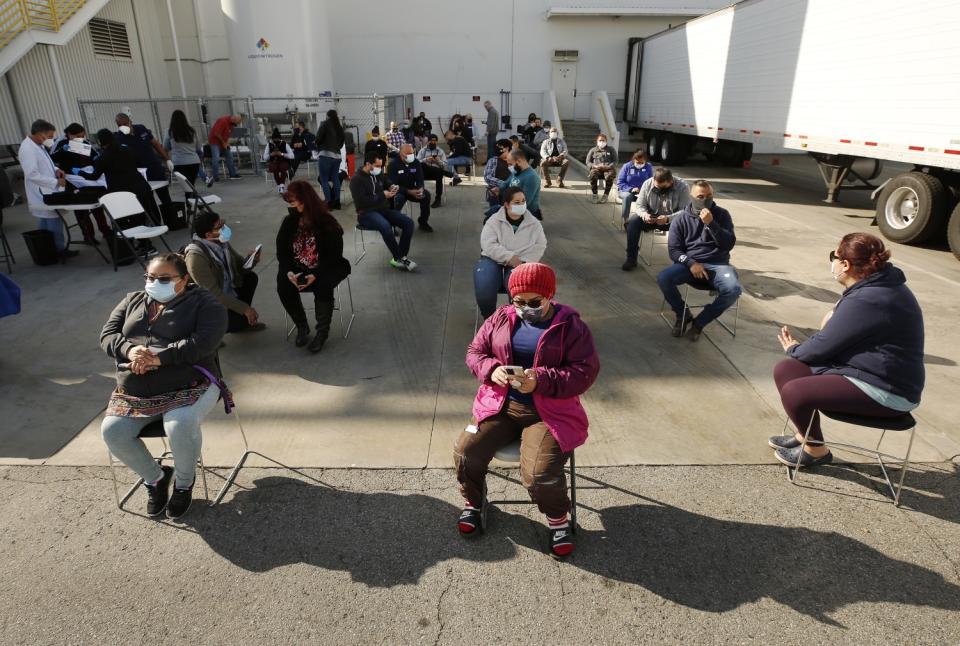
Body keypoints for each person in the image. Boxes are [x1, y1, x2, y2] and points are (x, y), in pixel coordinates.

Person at [457, 262, 600, 559]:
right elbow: (474, 352)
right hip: (501, 405)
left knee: (538, 474)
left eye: (534, 303)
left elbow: (585, 372)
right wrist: (491, 369)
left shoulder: (571, 326)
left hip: (549, 413)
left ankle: (558, 519)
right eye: (518, 301)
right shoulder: (500, 317)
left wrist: (541, 380)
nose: (525, 309)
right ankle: (474, 501)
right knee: (466, 451)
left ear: (550, 295)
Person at [771, 233, 924, 469]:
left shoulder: (870, 298)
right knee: (786, 369)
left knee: (795, 391)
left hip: (889, 390)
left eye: (834, 256)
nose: (832, 262)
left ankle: (816, 450)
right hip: (866, 371)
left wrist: (794, 348)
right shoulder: (877, 285)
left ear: (846, 264)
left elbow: (823, 345)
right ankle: (805, 435)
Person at [100, 253, 228, 519]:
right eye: (149, 277)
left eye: (163, 278)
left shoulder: (206, 304)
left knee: (178, 424)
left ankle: (183, 483)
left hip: (191, 385)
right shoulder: (132, 300)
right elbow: (108, 335)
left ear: (184, 280)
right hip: (136, 391)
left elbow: (203, 343)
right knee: (113, 431)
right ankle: (156, 478)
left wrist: (159, 358)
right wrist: (131, 350)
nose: (154, 283)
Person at [657, 180, 740, 342]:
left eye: (709, 196)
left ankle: (700, 322)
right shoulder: (680, 219)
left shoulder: (722, 214)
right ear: (692, 197)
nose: (705, 200)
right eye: (700, 196)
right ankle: (683, 314)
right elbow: (674, 250)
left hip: (718, 265)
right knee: (663, 278)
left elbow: (728, 244)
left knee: (733, 290)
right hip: (690, 265)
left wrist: (711, 224)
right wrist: (691, 263)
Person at [276, 181, 351, 352]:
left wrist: (315, 273)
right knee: (283, 285)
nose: (291, 204)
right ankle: (302, 326)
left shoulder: (327, 222)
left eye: (293, 200)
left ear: (305, 199)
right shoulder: (289, 221)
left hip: (326, 266)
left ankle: (322, 332)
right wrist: (288, 271)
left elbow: (334, 255)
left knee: (323, 285)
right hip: (298, 267)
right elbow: (282, 252)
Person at [183, 210, 264, 334]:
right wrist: (245, 309)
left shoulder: (220, 242)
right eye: (219, 227)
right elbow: (213, 294)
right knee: (236, 323)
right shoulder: (196, 258)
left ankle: (242, 320)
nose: (224, 228)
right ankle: (205, 330)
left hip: (226, 291)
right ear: (208, 234)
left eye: (222, 223)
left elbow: (239, 268)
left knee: (250, 278)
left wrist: (251, 261)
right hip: (209, 302)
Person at [475, 187, 547, 318]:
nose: (521, 205)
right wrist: (509, 257)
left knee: (520, 291)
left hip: (522, 261)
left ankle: (516, 320)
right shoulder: (493, 221)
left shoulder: (534, 223)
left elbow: (540, 245)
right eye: (517, 202)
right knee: (484, 290)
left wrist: (524, 261)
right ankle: (490, 319)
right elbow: (488, 244)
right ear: (506, 204)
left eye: (523, 201)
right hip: (493, 258)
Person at [349, 152, 418, 271]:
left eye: (380, 166)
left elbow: (386, 181)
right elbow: (361, 202)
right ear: (368, 164)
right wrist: (382, 195)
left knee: (408, 223)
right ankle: (400, 258)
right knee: (385, 226)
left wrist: (392, 186)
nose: (379, 168)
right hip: (366, 213)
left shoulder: (377, 173)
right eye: (376, 166)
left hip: (383, 209)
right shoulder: (356, 180)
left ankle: (399, 257)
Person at [81, 129, 162, 228]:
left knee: (126, 216)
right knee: (143, 212)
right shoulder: (128, 150)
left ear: (100, 142)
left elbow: (94, 177)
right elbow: (139, 163)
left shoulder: (102, 158)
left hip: (121, 191)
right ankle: (146, 237)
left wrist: (80, 172)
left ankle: (132, 238)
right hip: (140, 187)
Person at [19, 119, 72, 257]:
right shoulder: (28, 149)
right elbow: (32, 174)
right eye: (48, 136)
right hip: (42, 191)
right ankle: (58, 250)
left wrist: (56, 169)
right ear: (39, 133)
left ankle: (46, 249)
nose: (50, 139)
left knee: (46, 220)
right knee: (53, 219)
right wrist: (55, 183)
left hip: (47, 189)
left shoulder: (38, 145)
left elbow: (46, 162)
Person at [51, 123, 111, 245]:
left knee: (97, 206)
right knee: (80, 210)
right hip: (72, 181)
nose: (81, 138)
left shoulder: (86, 142)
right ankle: (88, 236)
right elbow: (51, 158)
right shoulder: (61, 143)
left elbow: (96, 157)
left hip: (89, 178)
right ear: (69, 134)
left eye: (82, 135)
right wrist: (63, 150)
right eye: (78, 136)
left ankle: (105, 231)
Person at [622, 169, 691, 271]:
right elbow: (640, 205)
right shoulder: (648, 183)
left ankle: (680, 263)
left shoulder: (683, 187)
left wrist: (668, 218)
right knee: (633, 222)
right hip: (651, 216)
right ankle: (631, 258)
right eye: (656, 187)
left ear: (670, 182)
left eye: (661, 187)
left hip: (672, 220)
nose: (658, 189)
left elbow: (685, 211)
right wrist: (645, 215)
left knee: (686, 226)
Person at [115, 112, 173, 206]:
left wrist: (167, 159)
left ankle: (170, 218)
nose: (122, 127)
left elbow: (156, 144)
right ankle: (155, 220)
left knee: (165, 197)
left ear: (130, 122)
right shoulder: (119, 138)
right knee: (148, 201)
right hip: (140, 174)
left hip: (155, 169)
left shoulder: (141, 128)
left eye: (125, 124)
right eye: (119, 125)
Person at [389, 144, 433, 232]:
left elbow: (420, 178)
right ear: (401, 154)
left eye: (412, 153)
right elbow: (392, 185)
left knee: (426, 195)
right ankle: (392, 224)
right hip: (398, 190)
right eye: (408, 153)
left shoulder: (415, 162)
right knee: (398, 199)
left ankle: (423, 222)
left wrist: (420, 189)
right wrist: (408, 191)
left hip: (412, 188)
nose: (411, 155)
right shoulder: (393, 164)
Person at [164, 110, 202, 198]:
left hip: (179, 162)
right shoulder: (191, 131)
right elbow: (198, 147)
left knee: (187, 187)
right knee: (191, 185)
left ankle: (192, 206)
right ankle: (196, 206)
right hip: (194, 162)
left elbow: (166, 147)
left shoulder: (170, 132)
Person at [499, 149, 541, 220]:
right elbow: (506, 183)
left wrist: (505, 209)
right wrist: (498, 189)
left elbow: (524, 203)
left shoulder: (531, 177)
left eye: (510, 164)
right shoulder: (517, 171)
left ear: (518, 161)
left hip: (526, 212)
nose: (509, 167)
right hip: (512, 206)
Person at [315, 110, 345, 209]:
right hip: (337, 156)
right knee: (335, 178)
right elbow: (341, 144)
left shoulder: (324, 124)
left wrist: (319, 143)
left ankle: (328, 203)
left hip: (325, 155)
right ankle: (337, 202)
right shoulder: (339, 127)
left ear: (327, 116)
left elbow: (318, 139)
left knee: (324, 179)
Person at [418, 133, 459, 206]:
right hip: (423, 173)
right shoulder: (422, 151)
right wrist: (426, 159)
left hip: (436, 173)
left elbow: (445, 165)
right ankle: (444, 173)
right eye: (431, 140)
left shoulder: (440, 151)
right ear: (428, 141)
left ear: (437, 142)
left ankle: (438, 199)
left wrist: (438, 161)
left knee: (439, 174)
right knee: (423, 164)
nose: (433, 142)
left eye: (435, 140)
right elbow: (416, 163)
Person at [616, 150, 654, 223]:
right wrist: (631, 189)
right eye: (637, 162)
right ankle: (626, 220)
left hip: (642, 192)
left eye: (642, 162)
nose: (639, 164)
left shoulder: (648, 166)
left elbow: (651, 181)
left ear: (645, 161)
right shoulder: (627, 166)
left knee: (652, 197)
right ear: (634, 160)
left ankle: (649, 219)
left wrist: (643, 190)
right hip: (626, 191)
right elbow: (620, 182)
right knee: (627, 197)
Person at [207, 114, 242, 184]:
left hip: (223, 142)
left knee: (230, 156)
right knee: (216, 158)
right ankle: (215, 176)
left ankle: (233, 174)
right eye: (236, 123)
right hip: (215, 142)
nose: (235, 125)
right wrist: (223, 142)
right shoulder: (222, 121)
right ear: (233, 119)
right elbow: (216, 133)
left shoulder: (231, 125)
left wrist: (226, 143)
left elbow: (227, 135)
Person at [584, 133, 618, 203]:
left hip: (608, 169)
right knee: (593, 174)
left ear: (606, 141)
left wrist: (608, 166)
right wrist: (594, 166)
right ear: (597, 141)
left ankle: (605, 195)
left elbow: (615, 161)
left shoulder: (611, 149)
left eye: (603, 140)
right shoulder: (593, 150)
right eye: (600, 140)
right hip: (597, 169)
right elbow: (587, 162)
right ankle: (595, 195)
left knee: (610, 176)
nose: (602, 142)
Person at [483, 138, 513, 216]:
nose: (497, 150)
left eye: (500, 147)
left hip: (511, 193)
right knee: (495, 216)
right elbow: (488, 177)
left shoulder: (514, 161)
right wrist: (504, 184)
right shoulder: (493, 160)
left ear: (507, 148)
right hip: (496, 193)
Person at [263, 128, 294, 193]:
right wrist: (271, 155)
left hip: (283, 161)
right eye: (274, 140)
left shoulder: (285, 144)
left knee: (283, 167)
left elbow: (292, 156)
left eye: (277, 140)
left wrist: (282, 154)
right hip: (274, 162)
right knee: (275, 168)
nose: (276, 141)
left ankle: (282, 186)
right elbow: (265, 158)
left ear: (280, 139)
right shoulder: (269, 145)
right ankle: (280, 186)